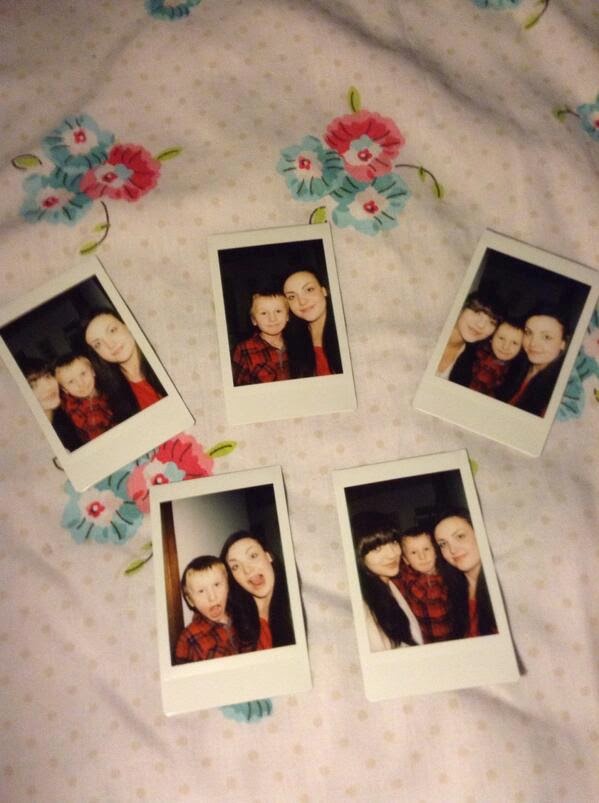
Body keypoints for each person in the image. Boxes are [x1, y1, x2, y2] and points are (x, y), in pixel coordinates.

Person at [351, 512, 423, 651]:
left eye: (394, 542)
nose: (392, 554)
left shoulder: (389, 583)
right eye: (377, 548)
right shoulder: (364, 609)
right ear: (358, 556)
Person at [83, 308, 165, 421]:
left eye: (112, 330)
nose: (110, 344)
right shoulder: (111, 397)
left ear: (127, 325)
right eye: (98, 344)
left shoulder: (165, 357)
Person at [220, 531, 295, 650]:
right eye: (235, 566)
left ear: (268, 556)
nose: (247, 569)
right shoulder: (231, 621)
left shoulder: (298, 602)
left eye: (253, 556)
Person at [433, 510, 497, 638]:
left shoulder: (502, 588)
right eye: (443, 544)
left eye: (460, 536)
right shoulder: (450, 590)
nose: (452, 549)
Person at [499, 310, 568, 417]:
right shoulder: (516, 364)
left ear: (563, 343)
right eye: (529, 333)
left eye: (546, 337)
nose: (533, 343)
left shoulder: (560, 393)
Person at [174, 556, 241, 664]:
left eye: (217, 585)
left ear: (228, 586)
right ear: (190, 600)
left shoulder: (242, 616)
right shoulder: (188, 639)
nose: (212, 597)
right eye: (201, 591)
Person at [396, 526, 453, 644]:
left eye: (426, 549)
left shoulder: (451, 576)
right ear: (406, 560)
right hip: (425, 644)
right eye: (413, 552)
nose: (422, 557)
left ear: (435, 551)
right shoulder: (404, 579)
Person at [282, 269, 342, 378]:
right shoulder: (290, 342)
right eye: (292, 297)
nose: (302, 301)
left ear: (324, 291)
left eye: (309, 290)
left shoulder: (345, 333)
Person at [436, 292, 501, 385]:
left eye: (492, 322)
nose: (481, 325)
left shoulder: (470, 361)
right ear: (461, 309)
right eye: (477, 312)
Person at [22, 356, 82, 451]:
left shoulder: (70, 414)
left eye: (48, 376)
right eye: (32, 386)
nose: (48, 387)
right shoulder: (29, 439)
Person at [231, 290, 290, 385]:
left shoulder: (298, 345)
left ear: (287, 316)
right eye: (264, 313)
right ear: (254, 320)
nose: (272, 318)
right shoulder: (243, 350)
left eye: (278, 311)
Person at [54, 353, 114, 442]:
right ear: (65, 389)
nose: (81, 383)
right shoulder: (71, 412)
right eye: (71, 381)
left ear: (93, 371)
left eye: (83, 374)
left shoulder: (111, 392)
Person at [469, 318, 524, 397]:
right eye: (501, 338)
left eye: (514, 343)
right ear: (492, 337)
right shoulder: (473, 357)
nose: (505, 347)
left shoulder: (517, 375)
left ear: (521, 348)